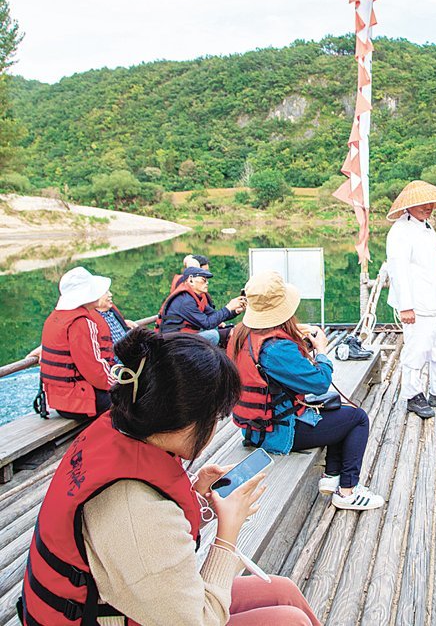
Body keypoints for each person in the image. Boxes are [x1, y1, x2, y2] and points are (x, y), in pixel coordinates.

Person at [20, 327, 320, 626]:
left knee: (282, 591)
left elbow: (146, 533)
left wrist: (200, 500)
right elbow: (198, 620)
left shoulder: (118, 429)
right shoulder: (133, 508)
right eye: (215, 417)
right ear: (188, 420)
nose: (214, 428)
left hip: (119, 597)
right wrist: (228, 532)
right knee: (288, 620)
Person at [227, 270, 385, 511]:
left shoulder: (239, 334)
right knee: (357, 418)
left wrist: (298, 341)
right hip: (279, 434)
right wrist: (321, 350)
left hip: (254, 430)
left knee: (335, 409)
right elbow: (320, 381)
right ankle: (348, 492)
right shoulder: (276, 349)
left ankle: (333, 476)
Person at [385, 180, 436, 419]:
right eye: (423, 204)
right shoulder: (400, 231)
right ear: (409, 205)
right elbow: (398, 271)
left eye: (430, 203)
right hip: (418, 304)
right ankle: (412, 395)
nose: (428, 207)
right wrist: (406, 306)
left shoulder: (427, 227)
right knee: (417, 350)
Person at [39, 266, 116, 420]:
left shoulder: (55, 317)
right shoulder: (81, 322)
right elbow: (94, 370)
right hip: (79, 402)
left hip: (59, 401)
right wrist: (119, 384)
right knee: (137, 398)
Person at [156, 266, 245, 346]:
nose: (207, 283)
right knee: (213, 335)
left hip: (186, 335)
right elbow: (207, 324)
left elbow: (214, 315)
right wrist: (228, 307)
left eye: (207, 280)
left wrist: (235, 311)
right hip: (173, 341)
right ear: (191, 280)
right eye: (203, 280)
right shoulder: (185, 301)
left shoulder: (196, 297)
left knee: (223, 327)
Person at [95, 289, 138, 357]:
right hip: (116, 362)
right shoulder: (91, 321)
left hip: (130, 355)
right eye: (106, 292)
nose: (110, 294)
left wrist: (124, 322)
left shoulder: (111, 311)